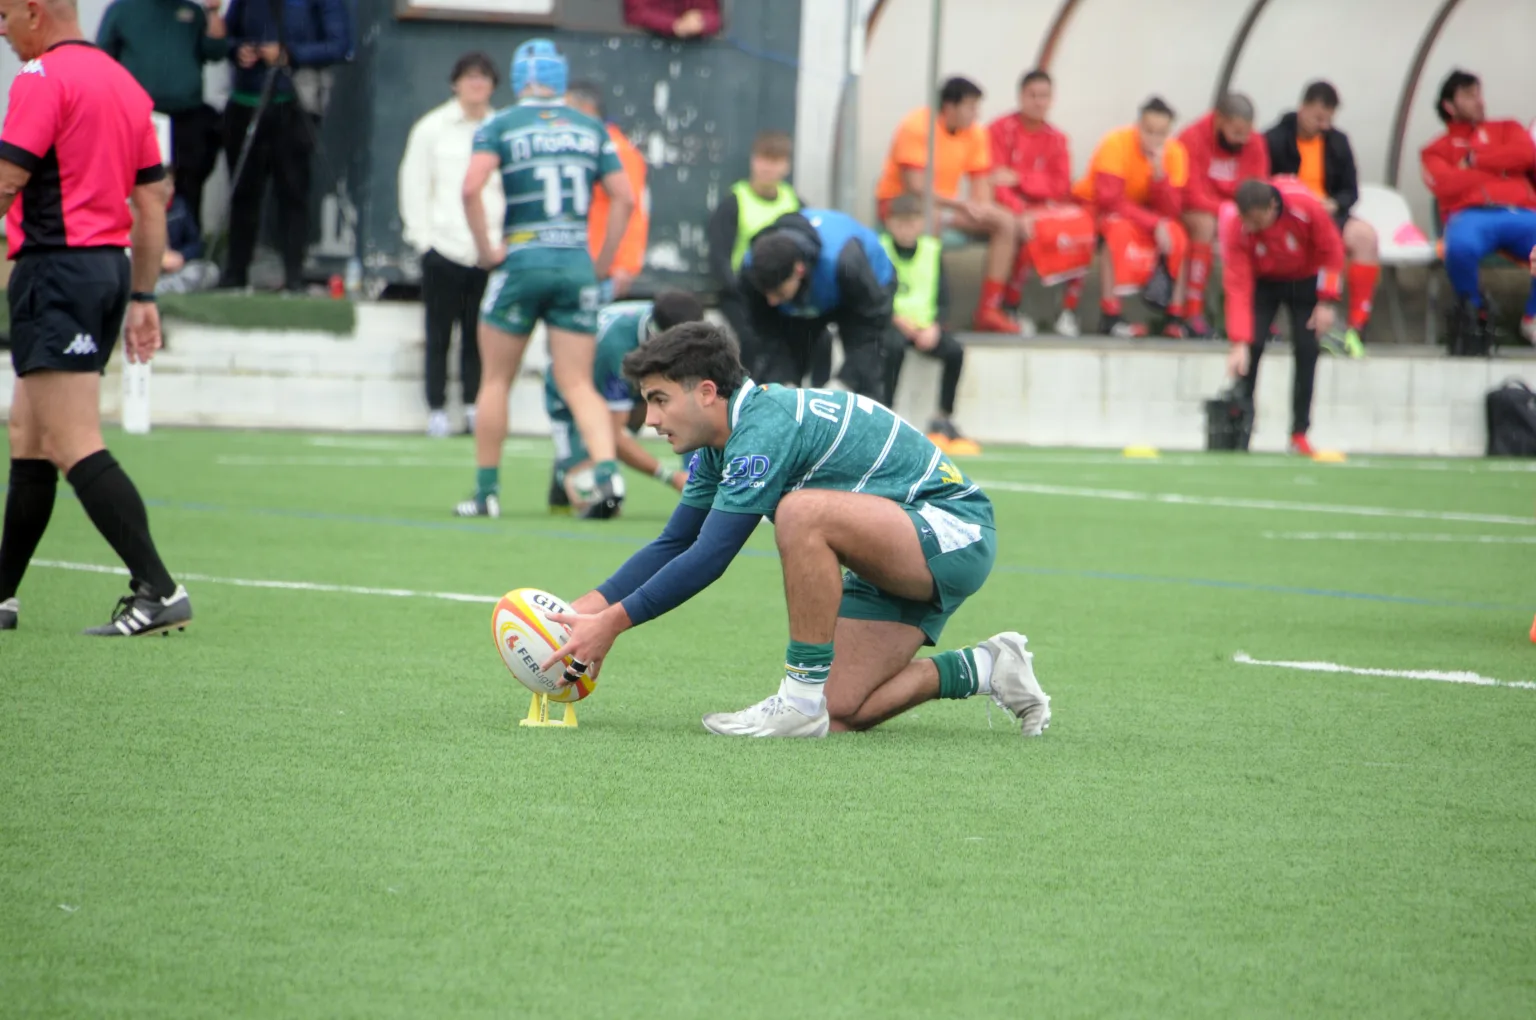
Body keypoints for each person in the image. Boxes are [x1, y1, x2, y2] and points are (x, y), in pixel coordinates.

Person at [539, 322, 1052, 739]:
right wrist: (583, 610)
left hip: (950, 530)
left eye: (659, 399)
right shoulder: (720, 445)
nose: (649, 418)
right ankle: (987, 667)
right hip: (889, 546)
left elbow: (712, 556)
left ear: (708, 393)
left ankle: (798, 700)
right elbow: (676, 543)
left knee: (801, 512)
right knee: (845, 710)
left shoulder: (764, 427)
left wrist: (612, 624)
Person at [0, 0, 192, 636]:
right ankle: (1, 595)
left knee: (70, 440)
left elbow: (6, 179)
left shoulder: (41, 78)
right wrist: (143, 296)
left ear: (35, 12)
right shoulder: (126, 85)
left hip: (57, 271)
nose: (1, 31)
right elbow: (152, 201)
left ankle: (158, 589)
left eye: (4, 15)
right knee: (29, 435)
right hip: (106, 271)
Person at [457, 40, 635, 520]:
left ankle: (486, 493)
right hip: (575, 260)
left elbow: (471, 187)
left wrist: (487, 248)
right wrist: (601, 261)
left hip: (522, 258)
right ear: (561, 79)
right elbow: (624, 197)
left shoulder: (500, 124)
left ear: (517, 80)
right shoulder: (590, 126)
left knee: (495, 379)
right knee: (578, 382)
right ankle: (606, 476)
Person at [398, 52, 503, 438]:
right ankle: (437, 409)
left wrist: (499, 244)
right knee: (439, 334)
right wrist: (423, 240)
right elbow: (414, 184)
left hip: (489, 252)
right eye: (469, 77)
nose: (476, 85)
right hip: (443, 247)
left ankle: (475, 407)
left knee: (482, 337)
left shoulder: (501, 127)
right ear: (454, 83)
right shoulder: (432, 128)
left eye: (484, 78)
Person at [220, 0, 351, 292]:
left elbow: (341, 45)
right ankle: (235, 273)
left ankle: (294, 275)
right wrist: (237, 49)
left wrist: (290, 54)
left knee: (293, 192)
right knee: (243, 192)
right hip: (245, 101)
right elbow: (227, 36)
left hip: (293, 103)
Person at [875, 77, 1020, 333]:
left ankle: (989, 309)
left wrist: (982, 208)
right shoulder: (917, 126)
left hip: (946, 206)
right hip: (901, 205)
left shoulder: (976, 133)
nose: (976, 114)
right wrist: (961, 205)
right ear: (950, 107)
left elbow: (980, 183)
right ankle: (927, 309)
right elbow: (915, 186)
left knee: (1005, 222)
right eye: (970, 107)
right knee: (929, 219)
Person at [546, 291, 703, 514]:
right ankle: (570, 468)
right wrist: (672, 477)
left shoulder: (670, 316)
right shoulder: (617, 350)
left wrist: (693, 473)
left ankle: (583, 456)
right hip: (569, 389)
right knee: (600, 499)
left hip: (629, 376)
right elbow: (613, 434)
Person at [1221, 178, 1346, 457]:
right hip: (1264, 282)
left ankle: (1299, 432)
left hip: (1305, 280)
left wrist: (1326, 301)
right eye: (1245, 220)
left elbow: (1332, 251)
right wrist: (1238, 341)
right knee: (1250, 350)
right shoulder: (1237, 228)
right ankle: (1241, 427)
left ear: (1272, 207)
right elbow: (1237, 284)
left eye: (1256, 220)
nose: (1250, 227)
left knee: (1306, 347)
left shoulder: (1305, 208)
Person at [1419, 69, 1536, 351]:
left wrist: (1474, 160)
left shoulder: (1507, 128)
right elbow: (1446, 186)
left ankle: (1532, 319)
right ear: (1449, 106)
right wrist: (1502, 170)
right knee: (1458, 247)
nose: (1479, 101)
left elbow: (1527, 155)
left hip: (1520, 213)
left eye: (1478, 94)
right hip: (1470, 215)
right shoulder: (1435, 149)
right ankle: (1474, 317)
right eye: (1469, 96)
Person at [97, 0, 228, 233]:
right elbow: (102, 62)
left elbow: (216, 51)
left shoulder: (193, 11)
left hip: (187, 117)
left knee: (189, 187)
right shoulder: (122, 10)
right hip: (140, 118)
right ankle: (132, 251)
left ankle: (187, 253)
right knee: (138, 188)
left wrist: (214, 12)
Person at [1265, 81, 1374, 357]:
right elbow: (1264, 185)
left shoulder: (1337, 141)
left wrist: (1335, 203)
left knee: (1365, 238)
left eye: (1328, 119)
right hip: (1288, 218)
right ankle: (1294, 323)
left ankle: (1356, 325)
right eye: (1317, 118)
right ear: (1302, 109)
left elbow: (1351, 190)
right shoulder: (1275, 139)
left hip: (1328, 215)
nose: (1323, 125)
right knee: (1323, 242)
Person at [739, 208, 895, 401]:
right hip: (809, 295)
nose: (771, 301)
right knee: (777, 387)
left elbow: (871, 333)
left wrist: (845, 382)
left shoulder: (846, 263)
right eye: (766, 294)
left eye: (778, 292)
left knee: (865, 385)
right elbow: (765, 335)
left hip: (865, 292)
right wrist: (783, 384)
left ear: (799, 270)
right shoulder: (751, 270)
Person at [1072, 97, 1191, 337]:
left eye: (1161, 133)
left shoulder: (1175, 153)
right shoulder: (1116, 143)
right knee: (1116, 231)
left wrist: (1160, 177)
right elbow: (1109, 199)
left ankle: (1175, 318)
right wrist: (1154, 222)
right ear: (1138, 126)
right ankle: (1110, 316)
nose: (1154, 139)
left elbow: (1172, 210)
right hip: (1098, 208)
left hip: (1141, 212)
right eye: (1149, 131)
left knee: (1178, 235)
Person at [987, 69, 1093, 336]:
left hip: (1046, 209)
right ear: (1020, 97)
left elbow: (1059, 186)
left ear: (1052, 99)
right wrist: (1021, 207)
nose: (1038, 102)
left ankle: (1067, 311)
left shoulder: (1057, 138)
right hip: (1011, 209)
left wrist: (1020, 178)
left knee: (1084, 229)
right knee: (1028, 230)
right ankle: (1010, 306)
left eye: (1044, 96)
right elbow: (995, 182)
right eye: (1032, 95)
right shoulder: (999, 130)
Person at [879, 195, 978, 455]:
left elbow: (943, 297)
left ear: (920, 224)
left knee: (955, 351)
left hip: (925, 328)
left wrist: (935, 325)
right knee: (892, 347)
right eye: (900, 223)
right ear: (889, 224)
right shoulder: (879, 249)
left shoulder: (932, 250)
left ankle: (943, 418)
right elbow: (873, 294)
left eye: (911, 223)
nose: (906, 229)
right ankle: (887, 415)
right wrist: (898, 320)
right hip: (893, 324)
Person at [706, 130, 800, 376]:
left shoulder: (794, 203)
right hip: (741, 295)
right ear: (753, 161)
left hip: (781, 293)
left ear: (786, 166)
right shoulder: (735, 202)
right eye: (763, 159)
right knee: (751, 341)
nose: (768, 168)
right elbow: (719, 258)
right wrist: (742, 291)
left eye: (775, 161)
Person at [1178, 93, 1270, 338]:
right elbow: (1190, 193)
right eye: (1236, 131)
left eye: (1247, 132)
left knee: (1264, 225)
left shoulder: (1255, 143)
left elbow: (1257, 189)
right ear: (1219, 120)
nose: (1243, 139)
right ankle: (1192, 311)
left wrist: (1240, 215)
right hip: (1198, 212)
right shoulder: (1192, 137)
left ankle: (1259, 315)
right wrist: (1227, 212)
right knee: (1205, 225)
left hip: (1235, 214)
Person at [566, 81, 649, 302]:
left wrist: (624, 265)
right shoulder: (584, 144)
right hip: (578, 266)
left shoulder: (617, 149)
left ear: (586, 109)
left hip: (602, 272)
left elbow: (633, 209)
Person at [156, 171, 220, 294]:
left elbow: (196, 243)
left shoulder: (180, 208)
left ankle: (164, 288)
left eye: (169, 185)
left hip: (175, 268)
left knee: (210, 270)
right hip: (146, 268)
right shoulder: (136, 209)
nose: (166, 190)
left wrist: (181, 256)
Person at [622, 0, 720, 38]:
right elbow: (635, 13)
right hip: (645, 54)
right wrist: (674, 25)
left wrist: (701, 20)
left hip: (692, 56)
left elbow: (715, 17)